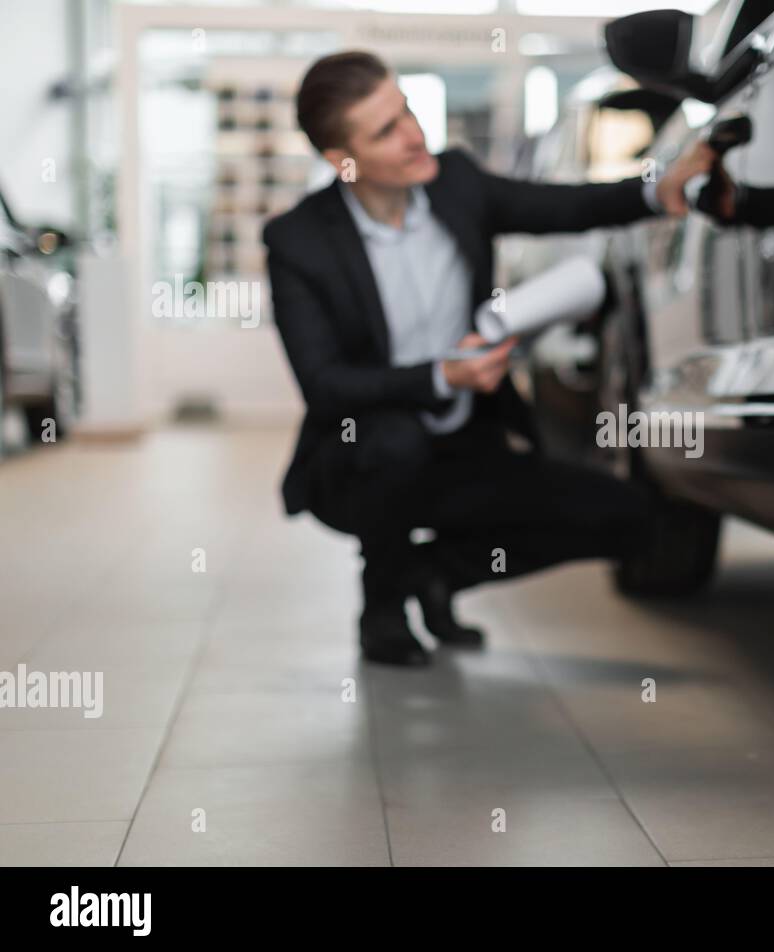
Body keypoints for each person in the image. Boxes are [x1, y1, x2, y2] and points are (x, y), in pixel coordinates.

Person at [262, 51, 715, 666]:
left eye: (407, 112)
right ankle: (382, 606)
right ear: (343, 162)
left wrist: (657, 191)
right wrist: (441, 375)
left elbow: (563, 205)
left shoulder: (457, 183)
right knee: (394, 442)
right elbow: (326, 385)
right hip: (358, 461)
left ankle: (435, 574)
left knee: (634, 519)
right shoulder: (299, 240)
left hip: (463, 446)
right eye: (386, 131)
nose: (415, 135)